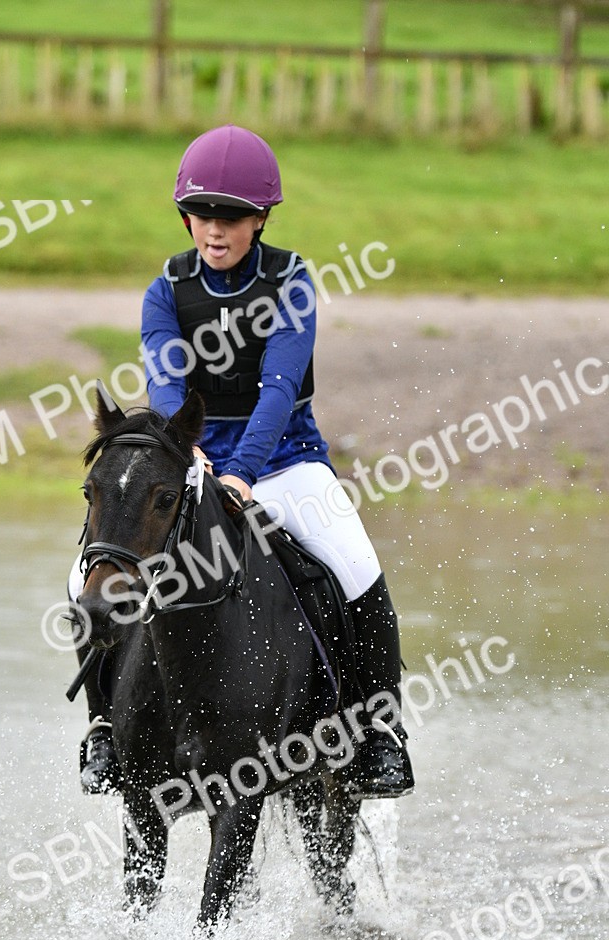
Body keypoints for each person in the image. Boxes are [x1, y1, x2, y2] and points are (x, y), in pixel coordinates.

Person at [77, 124, 414, 799]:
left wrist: (243, 472)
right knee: (82, 570)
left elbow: (280, 390)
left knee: (355, 563)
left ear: (260, 218)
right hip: (191, 458)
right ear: (185, 217)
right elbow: (168, 387)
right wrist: (189, 456)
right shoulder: (165, 290)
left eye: (230, 215)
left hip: (286, 462)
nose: (214, 227)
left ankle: (380, 733)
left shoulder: (290, 282)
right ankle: (104, 731)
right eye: (202, 213)